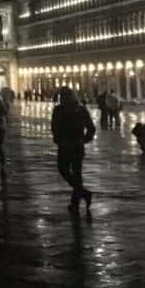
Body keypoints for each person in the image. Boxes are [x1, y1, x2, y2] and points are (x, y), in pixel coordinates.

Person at [51, 87, 95, 218]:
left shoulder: (59, 110)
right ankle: (80, 196)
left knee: (63, 169)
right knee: (77, 173)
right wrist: (84, 140)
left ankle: (79, 198)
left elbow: (54, 127)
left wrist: (59, 141)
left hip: (66, 147)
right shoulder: (81, 110)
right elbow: (91, 128)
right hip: (77, 147)